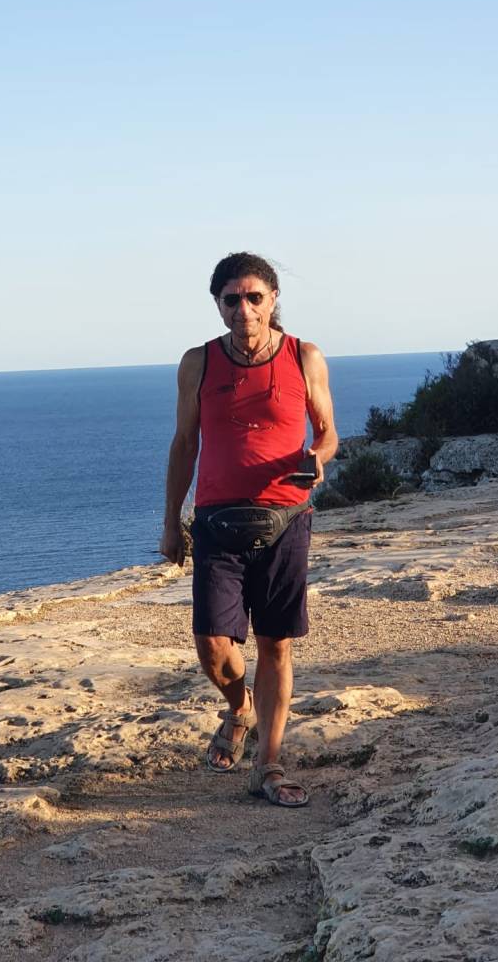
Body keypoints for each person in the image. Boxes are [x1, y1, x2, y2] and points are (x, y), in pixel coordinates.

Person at [160, 252, 338, 807]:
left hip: (286, 519)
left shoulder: (304, 356)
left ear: (272, 300)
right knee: (212, 646)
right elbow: (184, 444)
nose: (243, 309)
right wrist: (171, 522)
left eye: (254, 297)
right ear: (218, 304)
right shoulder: (198, 363)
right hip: (217, 520)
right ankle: (240, 708)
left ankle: (269, 764)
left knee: (275, 644)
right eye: (231, 299)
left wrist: (318, 456)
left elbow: (328, 431)